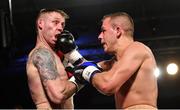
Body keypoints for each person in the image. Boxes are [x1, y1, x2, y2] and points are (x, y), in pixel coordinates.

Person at [74, 12, 158, 109]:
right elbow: (83, 67)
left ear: (118, 31)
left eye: (103, 31)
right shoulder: (112, 63)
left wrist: (88, 72)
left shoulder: (137, 48)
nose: (99, 36)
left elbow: (107, 85)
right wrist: (71, 55)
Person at [26, 9, 83, 109]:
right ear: (41, 24)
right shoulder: (42, 54)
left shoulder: (56, 55)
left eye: (62, 24)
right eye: (55, 22)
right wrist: (83, 76)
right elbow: (58, 95)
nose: (60, 28)